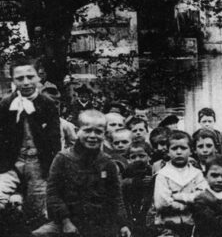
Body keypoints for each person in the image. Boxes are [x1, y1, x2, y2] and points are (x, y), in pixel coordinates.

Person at [32, 110, 131, 237]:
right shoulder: (63, 158)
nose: (93, 136)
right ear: (78, 131)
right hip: (68, 222)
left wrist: (123, 224)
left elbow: (116, 197)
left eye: (98, 132)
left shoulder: (107, 162)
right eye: (87, 130)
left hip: (99, 224)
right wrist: (66, 221)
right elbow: (53, 194)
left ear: (104, 135)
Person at [0, 57, 61, 224]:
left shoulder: (47, 104)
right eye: (20, 78)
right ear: (12, 80)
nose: (26, 82)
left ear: (38, 77)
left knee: (38, 210)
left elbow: (54, 141)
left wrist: (51, 171)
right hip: (13, 162)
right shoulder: (6, 104)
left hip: (38, 163)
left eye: (30, 77)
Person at [154, 130, 207, 237]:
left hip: (192, 225)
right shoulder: (163, 175)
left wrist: (176, 196)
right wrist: (188, 203)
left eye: (183, 148)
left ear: (191, 151)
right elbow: (161, 203)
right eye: (174, 148)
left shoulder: (196, 174)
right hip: (167, 226)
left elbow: (203, 197)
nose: (178, 152)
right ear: (168, 152)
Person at [122, 141, 154, 235]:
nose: (137, 159)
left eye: (141, 156)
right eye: (133, 157)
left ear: (149, 157)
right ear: (128, 159)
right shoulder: (127, 171)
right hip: (131, 204)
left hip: (147, 206)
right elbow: (121, 184)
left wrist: (152, 181)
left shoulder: (151, 170)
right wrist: (134, 182)